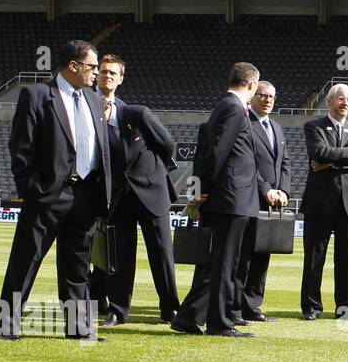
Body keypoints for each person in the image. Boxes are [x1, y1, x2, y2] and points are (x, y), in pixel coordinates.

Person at [0, 40, 111, 341]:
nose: (96, 74)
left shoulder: (94, 100)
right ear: (72, 66)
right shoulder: (36, 95)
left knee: (77, 267)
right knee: (25, 261)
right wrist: (32, 189)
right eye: (91, 67)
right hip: (47, 195)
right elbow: (21, 147)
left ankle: (79, 329)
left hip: (85, 195)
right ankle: (6, 325)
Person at [90, 54, 181, 326]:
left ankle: (170, 309)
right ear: (96, 74)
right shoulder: (87, 112)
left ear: (121, 78)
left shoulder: (137, 113)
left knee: (162, 253)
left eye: (113, 73)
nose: (107, 76)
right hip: (116, 198)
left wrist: (151, 173)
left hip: (151, 193)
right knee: (119, 256)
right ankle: (118, 310)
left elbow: (168, 146)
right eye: (103, 71)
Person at [172, 62, 260, 337]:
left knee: (217, 263)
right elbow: (217, 153)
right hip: (231, 197)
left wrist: (200, 189)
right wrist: (200, 191)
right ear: (251, 85)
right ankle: (219, 322)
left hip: (229, 196)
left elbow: (212, 150)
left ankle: (189, 317)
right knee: (224, 262)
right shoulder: (233, 108)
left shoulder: (226, 107)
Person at [300, 84, 348, 322]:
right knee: (314, 258)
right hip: (320, 202)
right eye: (340, 99)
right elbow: (318, 153)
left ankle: (345, 309)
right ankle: (311, 308)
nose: (345, 103)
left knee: (347, 260)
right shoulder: (314, 126)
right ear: (329, 101)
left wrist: (330, 161)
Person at [234, 80, 291, 323]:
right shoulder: (245, 123)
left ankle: (253, 305)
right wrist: (265, 188)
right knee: (243, 255)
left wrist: (284, 190)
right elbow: (247, 163)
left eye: (271, 97)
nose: (267, 100)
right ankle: (235, 305)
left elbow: (285, 163)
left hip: (272, 202)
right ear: (252, 96)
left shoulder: (276, 127)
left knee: (262, 256)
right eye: (262, 95)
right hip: (249, 198)